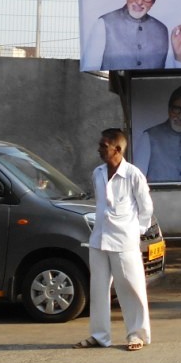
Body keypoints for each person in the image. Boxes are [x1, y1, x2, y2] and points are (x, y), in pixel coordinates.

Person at [74, 128, 155, 351]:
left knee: (131, 287)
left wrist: (135, 231)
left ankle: (136, 334)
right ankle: (100, 336)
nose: (99, 149)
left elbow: (146, 208)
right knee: (98, 289)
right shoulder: (98, 173)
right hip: (99, 239)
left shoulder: (133, 175)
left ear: (117, 149)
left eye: (104, 146)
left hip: (124, 241)